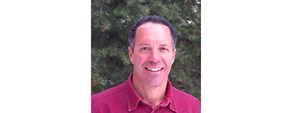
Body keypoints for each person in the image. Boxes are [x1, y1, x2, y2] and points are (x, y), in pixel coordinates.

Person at [92, 15, 201, 113]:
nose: (154, 58)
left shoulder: (194, 108)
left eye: (163, 49)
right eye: (145, 48)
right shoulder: (97, 107)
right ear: (131, 55)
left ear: (173, 56)